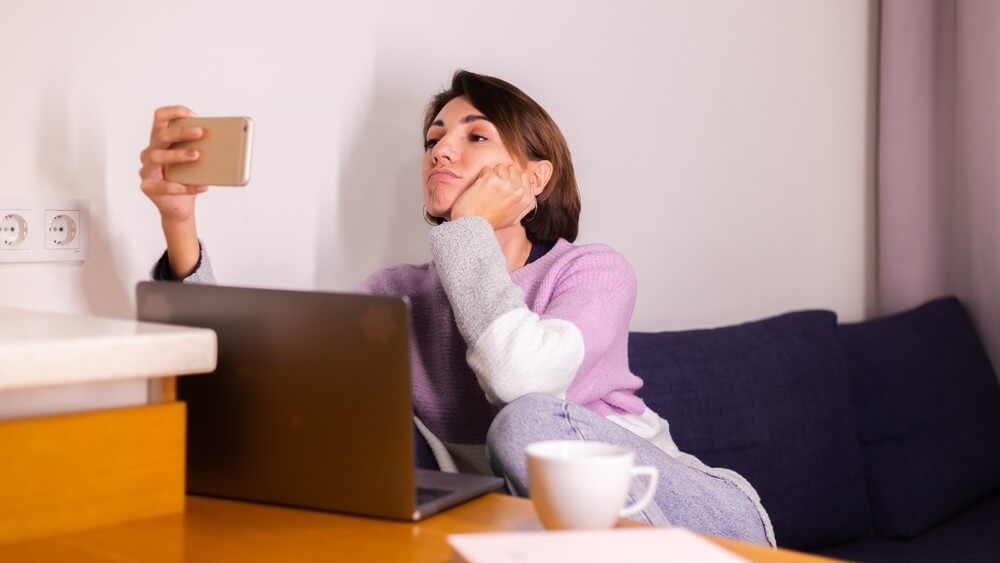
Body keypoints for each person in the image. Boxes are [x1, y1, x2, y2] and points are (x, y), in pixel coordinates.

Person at [138, 70, 775, 546]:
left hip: (694, 514)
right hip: (535, 533)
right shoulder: (397, 293)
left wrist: (468, 232)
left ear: (534, 179)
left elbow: (521, 385)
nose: (441, 150)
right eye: (434, 137)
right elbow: (274, 386)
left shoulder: (592, 270)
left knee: (524, 426)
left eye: (475, 136)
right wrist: (180, 225)